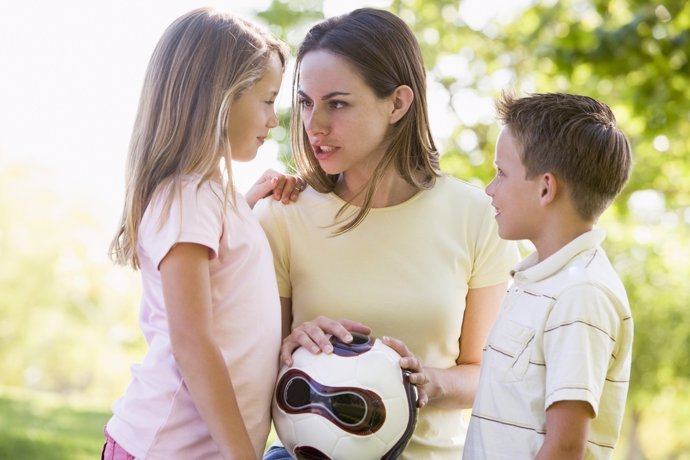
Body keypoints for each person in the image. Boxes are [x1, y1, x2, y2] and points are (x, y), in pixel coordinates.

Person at [255, 8, 519, 459]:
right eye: (305, 102)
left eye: (337, 103)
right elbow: (253, 370)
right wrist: (290, 348)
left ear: (398, 103)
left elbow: (488, 373)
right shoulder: (282, 216)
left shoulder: (478, 216)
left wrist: (425, 382)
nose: (314, 125)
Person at [102, 8, 301, 459]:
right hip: (169, 447)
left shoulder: (208, 198)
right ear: (220, 99)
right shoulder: (189, 198)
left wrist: (247, 205)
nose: (274, 120)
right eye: (267, 101)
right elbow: (192, 340)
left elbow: (225, 272)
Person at [463, 92, 634, 459]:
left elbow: (565, 446)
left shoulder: (581, 295)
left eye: (501, 173)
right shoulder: (536, 281)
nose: (490, 189)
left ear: (545, 188)